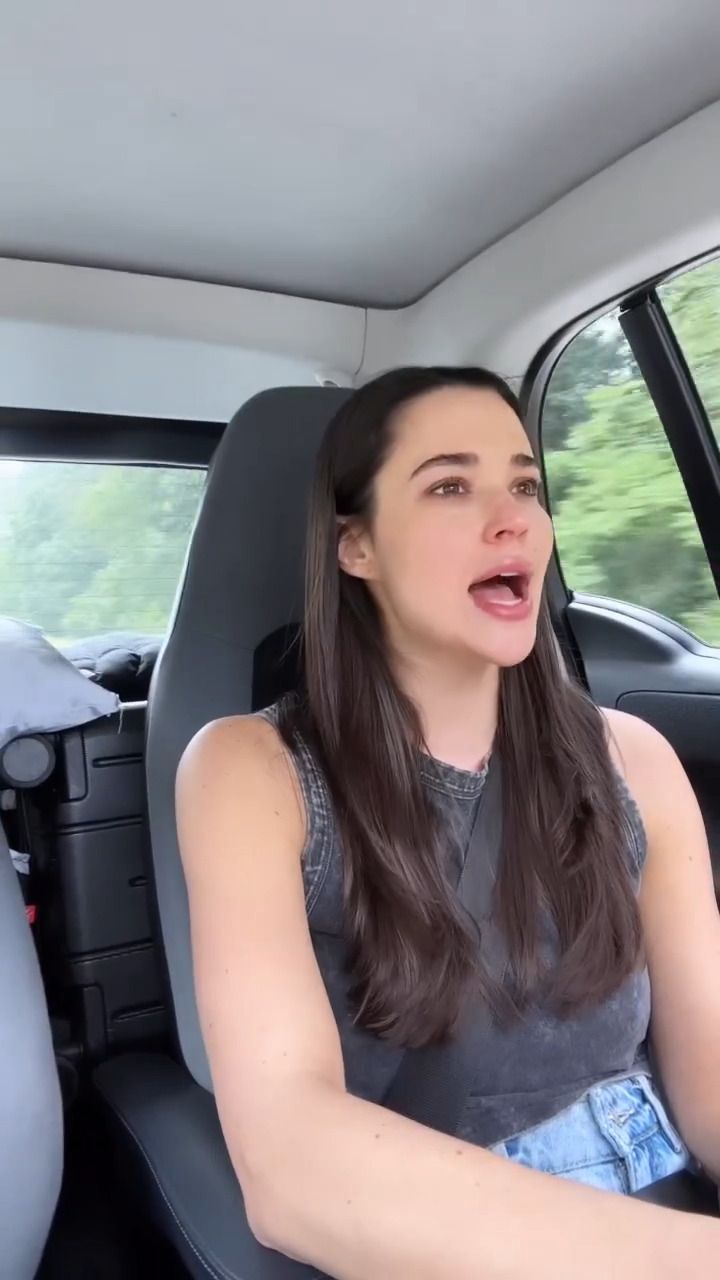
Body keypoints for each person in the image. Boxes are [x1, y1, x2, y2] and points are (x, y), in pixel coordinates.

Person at [176, 367, 720, 1279]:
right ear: (356, 546)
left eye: (525, 485)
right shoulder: (252, 774)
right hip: (437, 1240)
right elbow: (293, 1166)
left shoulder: (637, 760)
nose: (513, 520)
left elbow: (711, 1073)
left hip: (660, 1196)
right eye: (450, 487)